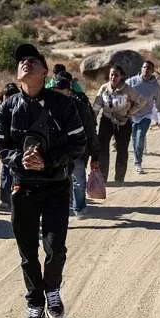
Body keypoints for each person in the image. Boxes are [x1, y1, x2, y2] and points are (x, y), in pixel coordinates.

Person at [0, 44, 87, 318]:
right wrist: (20, 161)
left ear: (45, 72)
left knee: (55, 247)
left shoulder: (63, 104)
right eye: (21, 61)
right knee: (27, 250)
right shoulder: (8, 106)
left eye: (33, 61)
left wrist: (48, 162)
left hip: (57, 186)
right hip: (24, 187)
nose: (26, 64)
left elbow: (78, 143)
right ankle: (34, 301)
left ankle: (52, 291)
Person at [52, 71, 100, 218]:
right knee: (59, 180)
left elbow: (90, 131)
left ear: (69, 91)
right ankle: (63, 207)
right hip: (57, 151)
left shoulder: (80, 107)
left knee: (78, 179)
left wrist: (95, 155)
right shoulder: (48, 107)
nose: (57, 94)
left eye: (60, 91)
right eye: (55, 91)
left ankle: (78, 207)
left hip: (77, 150)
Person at [92, 65, 147, 184]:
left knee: (122, 150)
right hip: (106, 121)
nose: (113, 77)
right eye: (111, 74)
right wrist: (92, 120)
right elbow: (97, 105)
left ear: (121, 76)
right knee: (102, 149)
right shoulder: (103, 88)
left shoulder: (127, 89)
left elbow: (141, 101)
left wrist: (130, 112)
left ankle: (119, 178)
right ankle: (103, 178)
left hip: (123, 122)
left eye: (116, 75)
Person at [125, 61, 160, 174]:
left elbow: (159, 103)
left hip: (146, 115)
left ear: (152, 71)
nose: (146, 70)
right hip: (131, 114)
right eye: (144, 67)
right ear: (141, 68)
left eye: (148, 68)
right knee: (134, 139)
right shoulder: (132, 81)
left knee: (140, 137)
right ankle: (137, 158)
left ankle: (138, 163)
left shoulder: (155, 87)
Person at [0, 82, 21, 211]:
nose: (7, 99)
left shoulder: (22, 107)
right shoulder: (0, 108)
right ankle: (6, 200)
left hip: (18, 146)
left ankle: (15, 199)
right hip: (6, 146)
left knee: (15, 174)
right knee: (6, 173)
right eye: (6, 96)